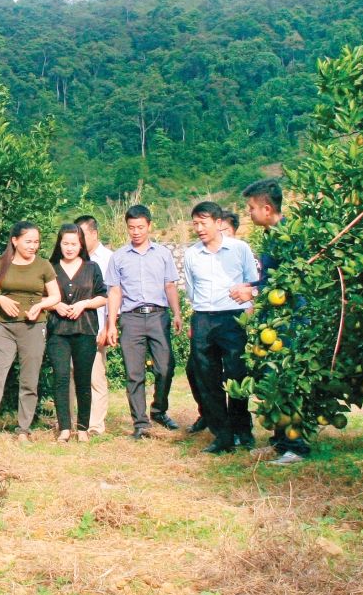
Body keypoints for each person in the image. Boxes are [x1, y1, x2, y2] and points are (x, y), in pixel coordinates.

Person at [180, 202, 261, 454]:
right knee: (207, 377)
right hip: (203, 317)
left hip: (232, 318)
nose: (199, 229)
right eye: (195, 224)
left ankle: (242, 430)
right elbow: (191, 290)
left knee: (236, 373)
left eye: (203, 223)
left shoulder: (239, 249)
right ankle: (221, 435)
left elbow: (251, 283)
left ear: (218, 223)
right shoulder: (191, 254)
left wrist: (248, 312)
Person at [0, 221, 60, 447]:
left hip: (33, 327)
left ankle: (23, 429)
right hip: (4, 326)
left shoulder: (43, 266)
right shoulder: (2, 263)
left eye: (36, 242)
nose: (33, 246)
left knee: (29, 379)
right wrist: (0, 298)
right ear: (15, 240)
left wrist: (39, 306)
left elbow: (55, 297)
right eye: (28, 241)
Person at [242, 177, 309, 465]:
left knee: (288, 380)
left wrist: (253, 289)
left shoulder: (288, 237)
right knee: (275, 381)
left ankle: (296, 445)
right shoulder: (273, 235)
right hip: (275, 322)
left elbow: (287, 283)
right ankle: (281, 441)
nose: (249, 213)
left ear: (267, 209)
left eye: (251, 208)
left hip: (290, 322)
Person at [102, 205, 182, 438]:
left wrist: (177, 313)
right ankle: (140, 422)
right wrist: (111, 324)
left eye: (140, 227)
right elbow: (114, 292)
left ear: (149, 226)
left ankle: (159, 409)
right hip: (131, 318)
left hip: (158, 315)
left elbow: (170, 285)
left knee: (165, 368)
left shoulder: (163, 254)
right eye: (131, 227)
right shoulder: (118, 257)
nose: (136, 232)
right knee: (134, 372)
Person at [45, 224, 108, 442]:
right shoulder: (50, 267)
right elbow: (41, 297)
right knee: (61, 378)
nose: (69, 248)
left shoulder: (92, 268)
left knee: (83, 378)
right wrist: (55, 306)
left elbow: (103, 296)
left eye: (74, 243)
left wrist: (84, 304)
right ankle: (64, 428)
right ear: (59, 244)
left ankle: (82, 428)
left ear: (81, 244)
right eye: (65, 243)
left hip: (85, 330)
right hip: (58, 332)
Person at [75, 215, 113, 435]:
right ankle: (74, 421)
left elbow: (114, 296)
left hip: (97, 326)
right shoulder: (72, 259)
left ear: (94, 233)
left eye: (82, 235)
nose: (77, 241)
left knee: (95, 376)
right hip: (74, 326)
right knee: (72, 373)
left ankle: (96, 425)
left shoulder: (109, 258)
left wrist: (108, 326)